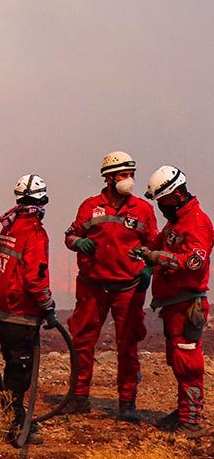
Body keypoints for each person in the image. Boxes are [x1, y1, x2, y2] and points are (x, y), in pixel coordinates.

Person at [64, 151, 159, 421]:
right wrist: (77, 242)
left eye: (131, 174)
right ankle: (79, 396)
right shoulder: (89, 206)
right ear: (108, 178)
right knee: (82, 341)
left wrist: (148, 270)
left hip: (127, 288)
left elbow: (153, 245)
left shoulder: (142, 209)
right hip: (92, 287)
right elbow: (70, 235)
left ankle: (127, 403)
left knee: (127, 346)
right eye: (123, 175)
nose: (129, 180)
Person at [135, 166, 213, 435]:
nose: (162, 207)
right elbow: (161, 243)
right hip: (172, 304)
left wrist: (158, 258)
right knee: (176, 359)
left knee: (188, 362)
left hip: (187, 303)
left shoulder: (197, 223)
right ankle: (183, 411)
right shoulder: (176, 221)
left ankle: (191, 420)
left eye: (164, 201)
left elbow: (193, 263)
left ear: (178, 195)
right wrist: (146, 252)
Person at [0, 174, 58, 446]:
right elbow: (35, 277)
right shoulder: (34, 232)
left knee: (12, 369)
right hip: (22, 313)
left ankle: (12, 419)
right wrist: (48, 306)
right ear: (42, 201)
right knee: (20, 373)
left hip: (4, 311)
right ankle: (17, 427)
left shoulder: (8, 227)